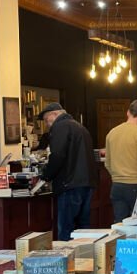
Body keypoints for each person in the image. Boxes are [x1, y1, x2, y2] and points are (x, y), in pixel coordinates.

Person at [38, 102, 96, 241]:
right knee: (83, 230)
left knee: (66, 229)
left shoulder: (60, 127)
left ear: (55, 114)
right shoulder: (79, 127)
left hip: (69, 184)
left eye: (47, 120)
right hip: (87, 183)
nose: (47, 124)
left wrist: (46, 176)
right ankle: (84, 259)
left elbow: (57, 155)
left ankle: (66, 261)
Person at [104, 99, 137, 222]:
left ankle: (121, 242)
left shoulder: (112, 133)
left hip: (117, 186)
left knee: (120, 224)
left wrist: (117, 176)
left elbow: (107, 162)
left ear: (128, 112)